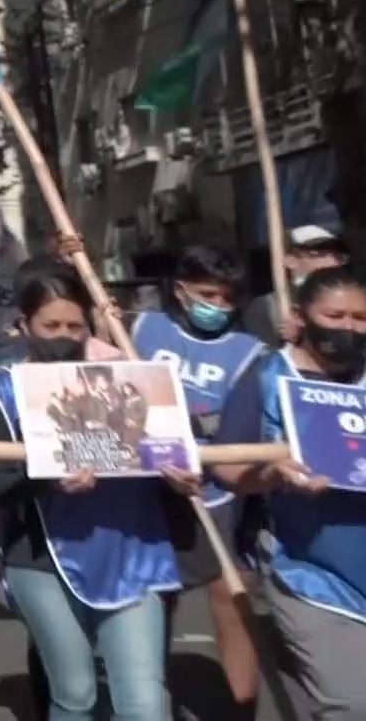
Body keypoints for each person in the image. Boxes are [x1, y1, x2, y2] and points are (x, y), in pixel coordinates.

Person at [0, 266, 193, 721]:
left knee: (145, 701)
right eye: (50, 325)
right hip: (41, 560)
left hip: (134, 552)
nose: (63, 335)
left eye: (74, 325)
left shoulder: (134, 381)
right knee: (75, 694)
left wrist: (180, 479)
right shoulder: (0, 390)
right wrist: (46, 479)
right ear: (25, 324)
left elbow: (173, 453)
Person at [214, 265, 366, 718]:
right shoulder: (266, 377)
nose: (349, 327)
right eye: (336, 315)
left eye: (360, 317)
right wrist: (273, 476)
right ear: (300, 317)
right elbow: (225, 465)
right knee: (353, 703)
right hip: (313, 572)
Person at [131, 245, 267, 718]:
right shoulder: (139, 328)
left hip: (212, 492)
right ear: (181, 290)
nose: (219, 306)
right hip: (145, 490)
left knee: (232, 598)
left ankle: (238, 708)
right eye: (208, 294)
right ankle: (148, 699)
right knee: (152, 602)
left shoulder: (249, 351)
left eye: (229, 298)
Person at [244, 225, 350, 348]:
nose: (333, 261)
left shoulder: (356, 300)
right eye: (321, 253)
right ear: (290, 260)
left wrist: (307, 336)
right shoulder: (267, 307)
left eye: (337, 254)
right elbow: (263, 358)